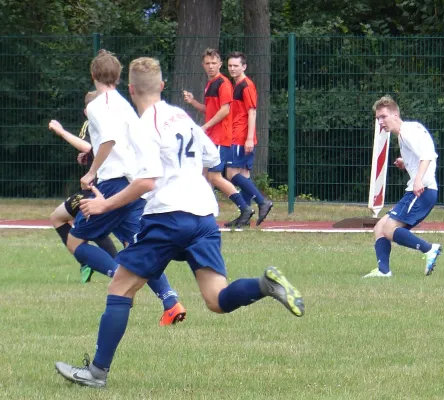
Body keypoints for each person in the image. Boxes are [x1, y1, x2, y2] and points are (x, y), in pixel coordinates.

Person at [54, 57, 305, 388]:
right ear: (162, 85)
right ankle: (264, 285)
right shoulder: (184, 117)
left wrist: (105, 205)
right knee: (217, 300)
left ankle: (97, 373)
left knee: (120, 287)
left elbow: (145, 182)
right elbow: (212, 161)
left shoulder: (143, 127)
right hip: (204, 215)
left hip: (169, 217)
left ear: (131, 90)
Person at [64, 50, 186, 325]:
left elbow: (109, 140)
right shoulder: (122, 103)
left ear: (93, 75)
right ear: (119, 78)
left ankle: (116, 271)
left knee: (75, 241)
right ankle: (170, 301)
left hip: (113, 183)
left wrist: (91, 172)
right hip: (134, 182)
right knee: (138, 245)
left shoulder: (96, 105)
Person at [363, 95, 442, 278]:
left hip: (423, 190)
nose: (381, 122)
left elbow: (428, 155)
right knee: (380, 227)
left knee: (389, 229)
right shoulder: (406, 132)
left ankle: (429, 249)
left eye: (383, 117)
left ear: (395, 114)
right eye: (378, 119)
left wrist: (418, 180)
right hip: (421, 189)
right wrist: (405, 163)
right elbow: (422, 154)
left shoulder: (407, 132)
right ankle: (384, 271)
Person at [48, 91, 117, 283]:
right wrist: (88, 157)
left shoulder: (99, 122)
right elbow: (93, 149)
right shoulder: (106, 121)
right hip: (107, 185)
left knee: (66, 220)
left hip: (98, 187)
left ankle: (106, 267)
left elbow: (88, 147)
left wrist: (61, 132)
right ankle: (103, 264)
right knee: (92, 227)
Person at [183, 48, 254, 228]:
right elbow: (211, 110)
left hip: (221, 138)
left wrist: (205, 127)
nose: (211, 66)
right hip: (211, 138)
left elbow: (225, 110)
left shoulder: (224, 84)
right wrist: (193, 102)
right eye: (207, 63)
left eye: (214, 63)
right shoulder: (211, 84)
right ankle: (205, 213)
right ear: (203, 65)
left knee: (215, 177)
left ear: (219, 64)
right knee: (205, 175)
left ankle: (246, 207)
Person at [225, 51, 273, 227]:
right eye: (230, 65)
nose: (232, 68)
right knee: (244, 175)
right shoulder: (235, 84)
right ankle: (245, 216)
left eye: (236, 66)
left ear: (243, 67)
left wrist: (249, 138)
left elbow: (252, 111)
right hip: (237, 134)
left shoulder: (247, 85)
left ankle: (262, 202)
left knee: (231, 174)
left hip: (241, 136)